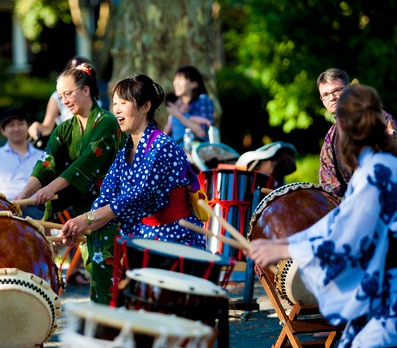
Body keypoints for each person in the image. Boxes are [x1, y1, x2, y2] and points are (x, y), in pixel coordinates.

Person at [247, 84, 397, 348]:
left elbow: (346, 235)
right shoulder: (373, 167)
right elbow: (336, 222)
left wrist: (287, 248)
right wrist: (282, 245)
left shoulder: (378, 172)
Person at [60, 74, 207, 304]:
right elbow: (106, 198)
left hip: (174, 238)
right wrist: (80, 226)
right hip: (142, 237)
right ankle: (106, 314)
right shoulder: (123, 153)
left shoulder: (162, 146)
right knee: (97, 238)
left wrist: (87, 219)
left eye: (123, 103)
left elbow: (137, 196)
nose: (116, 110)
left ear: (145, 107)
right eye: (115, 103)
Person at [14, 62, 124, 290]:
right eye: (60, 96)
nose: (63, 101)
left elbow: (84, 165)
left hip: (112, 211)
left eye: (68, 94)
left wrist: (50, 189)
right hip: (85, 214)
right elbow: (46, 163)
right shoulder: (64, 129)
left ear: (86, 90)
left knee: (112, 278)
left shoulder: (107, 122)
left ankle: (118, 322)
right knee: (98, 274)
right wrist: (22, 197)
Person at [317, 68, 397, 197]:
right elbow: (329, 186)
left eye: (337, 90)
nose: (331, 98)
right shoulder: (330, 138)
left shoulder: (378, 119)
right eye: (325, 95)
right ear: (322, 100)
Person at [0, 108, 44, 219]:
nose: (16, 129)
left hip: (39, 209)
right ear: (3, 130)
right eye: (11, 125)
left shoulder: (43, 156)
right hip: (6, 211)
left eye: (20, 124)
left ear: (28, 126)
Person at [27, 56, 96, 149]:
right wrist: (38, 127)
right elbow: (47, 126)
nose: (64, 101)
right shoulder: (56, 97)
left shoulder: (95, 95)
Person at [164, 65, 215, 152]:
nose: (176, 83)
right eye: (175, 79)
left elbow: (203, 133)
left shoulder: (203, 100)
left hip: (198, 152)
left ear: (194, 84)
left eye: (180, 79)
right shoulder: (182, 106)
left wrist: (179, 115)